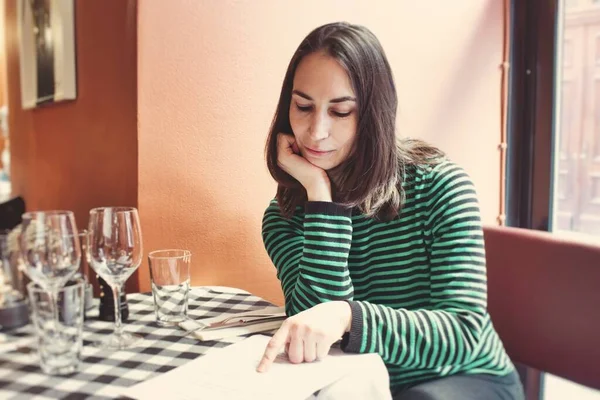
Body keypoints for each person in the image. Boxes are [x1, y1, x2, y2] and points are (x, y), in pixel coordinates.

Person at [257, 21, 524, 400]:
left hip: (464, 377)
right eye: (303, 107)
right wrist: (321, 198)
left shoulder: (439, 185)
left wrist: (349, 317)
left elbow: (464, 333)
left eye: (341, 112)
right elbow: (317, 334)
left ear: (371, 113)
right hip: (355, 381)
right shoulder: (284, 216)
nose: (316, 132)